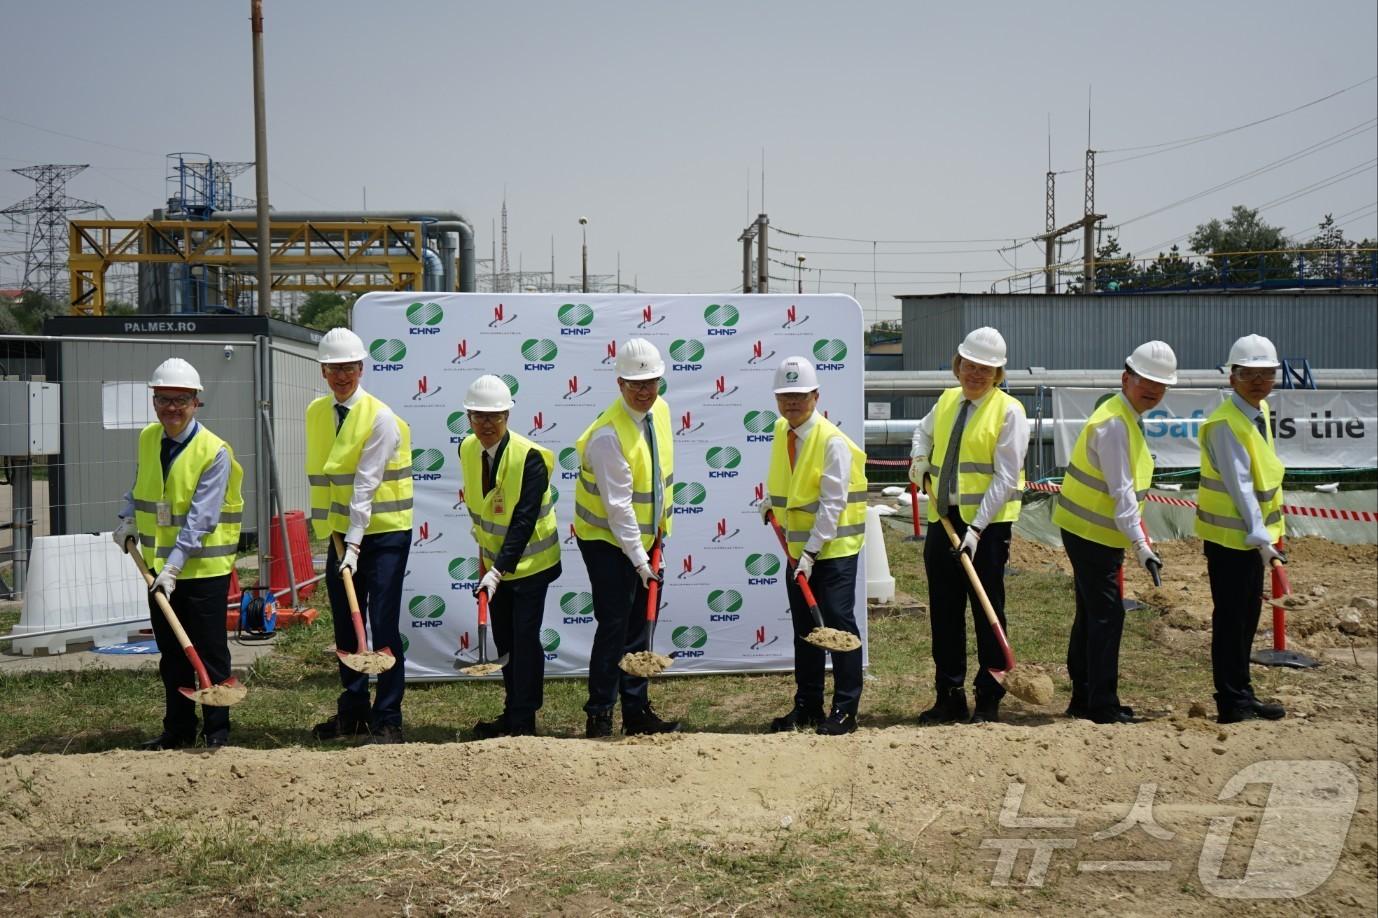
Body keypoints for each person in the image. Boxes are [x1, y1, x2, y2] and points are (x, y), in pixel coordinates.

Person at [113, 358, 244, 750]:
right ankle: (178, 730)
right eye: (163, 399)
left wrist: (173, 567)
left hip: (202, 572)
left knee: (209, 652)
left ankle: (217, 731)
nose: (171, 408)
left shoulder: (213, 451)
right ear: (154, 401)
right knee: (172, 655)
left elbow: (202, 518)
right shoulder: (149, 438)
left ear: (196, 402)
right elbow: (141, 487)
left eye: (181, 400)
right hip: (158, 571)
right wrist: (127, 519)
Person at [1052, 340, 1177, 725]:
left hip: (1092, 530)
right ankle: (1101, 704)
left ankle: (1084, 697)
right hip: (1092, 533)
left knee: (1093, 614)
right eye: (1146, 381)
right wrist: (1141, 544)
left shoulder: (1124, 415)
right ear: (1127, 379)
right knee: (1107, 616)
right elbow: (1121, 491)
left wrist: (1136, 539)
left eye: (1160, 384)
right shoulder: (1114, 424)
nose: (1153, 390)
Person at [908, 327, 1029, 724]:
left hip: (988, 528)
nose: (975, 375)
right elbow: (921, 433)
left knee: (986, 608)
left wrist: (975, 531)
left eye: (986, 370)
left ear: (998, 375)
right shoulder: (946, 401)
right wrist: (920, 460)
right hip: (944, 521)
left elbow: (1005, 477)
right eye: (970, 366)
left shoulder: (1009, 411)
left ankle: (990, 697)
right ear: (958, 365)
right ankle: (949, 696)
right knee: (944, 611)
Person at [307, 327, 414, 744]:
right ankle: (353, 713)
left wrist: (354, 544)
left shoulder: (381, 417)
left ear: (362, 368)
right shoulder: (316, 413)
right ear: (323, 370)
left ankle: (388, 718)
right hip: (340, 535)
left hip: (384, 534)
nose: (341, 375)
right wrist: (342, 540)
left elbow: (366, 485)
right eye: (334, 368)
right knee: (347, 632)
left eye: (349, 367)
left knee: (383, 628)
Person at [573, 338, 681, 738]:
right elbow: (618, 509)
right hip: (605, 541)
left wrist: (657, 546)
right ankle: (599, 713)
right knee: (615, 624)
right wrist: (640, 562)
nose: (644, 391)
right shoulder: (607, 436)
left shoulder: (661, 412)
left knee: (640, 629)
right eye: (636, 383)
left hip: (647, 540)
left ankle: (636, 712)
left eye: (651, 382)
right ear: (619, 383)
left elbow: (659, 485)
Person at [762, 356, 869, 735]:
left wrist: (811, 553)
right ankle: (807, 705)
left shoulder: (831, 442)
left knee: (838, 627)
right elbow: (790, 481)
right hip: (798, 552)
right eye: (785, 396)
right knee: (806, 630)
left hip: (833, 552)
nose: (792, 403)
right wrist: (771, 503)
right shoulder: (781, 431)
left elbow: (832, 504)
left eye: (800, 396)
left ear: (816, 396)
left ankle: (845, 710)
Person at [458, 374, 562, 738]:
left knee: (523, 637)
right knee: (504, 639)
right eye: (479, 416)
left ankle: (524, 719)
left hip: (532, 565)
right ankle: (512, 710)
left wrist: (498, 570)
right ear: (468, 416)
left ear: (508, 416)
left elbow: (522, 521)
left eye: (495, 417)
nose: (487, 425)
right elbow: (482, 511)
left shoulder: (530, 458)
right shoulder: (467, 449)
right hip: (494, 567)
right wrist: (487, 564)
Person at [1197, 334, 1288, 725]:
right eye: (1249, 374)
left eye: (1266, 374)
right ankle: (1231, 701)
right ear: (1231, 377)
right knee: (1232, 621)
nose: (1259, 381)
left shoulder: (1259, 412)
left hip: (1249, 540)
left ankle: (1242, 693)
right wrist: (1261, 536)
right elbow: (1240, 486)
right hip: (1231, 541)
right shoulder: (1225, 424)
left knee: (1246, 619)